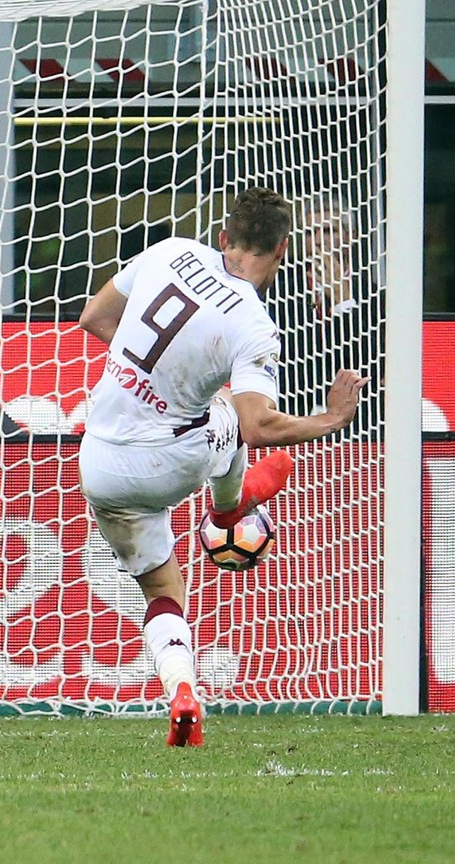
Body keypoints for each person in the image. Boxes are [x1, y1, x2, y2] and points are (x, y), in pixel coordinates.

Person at [76, 187, 365, 747]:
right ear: (283, 248)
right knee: (230, 411)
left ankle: (183, 690)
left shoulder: (168, 250)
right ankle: (230, 511)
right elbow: (259, 426)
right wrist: (331, 419)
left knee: (161, 588)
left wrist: (154, 381)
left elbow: (94, 317)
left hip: (100, 461)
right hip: (171, 460)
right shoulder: (253, 323)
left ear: (224, 237)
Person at [267, 194, 381, 435]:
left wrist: (343, 301)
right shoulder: (279, 292)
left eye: (328, 231)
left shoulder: (375, 296)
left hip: (359, 429)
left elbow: (373, 367)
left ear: (350, 236)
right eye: (310, 233)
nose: (318, 241)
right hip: (293, 419)